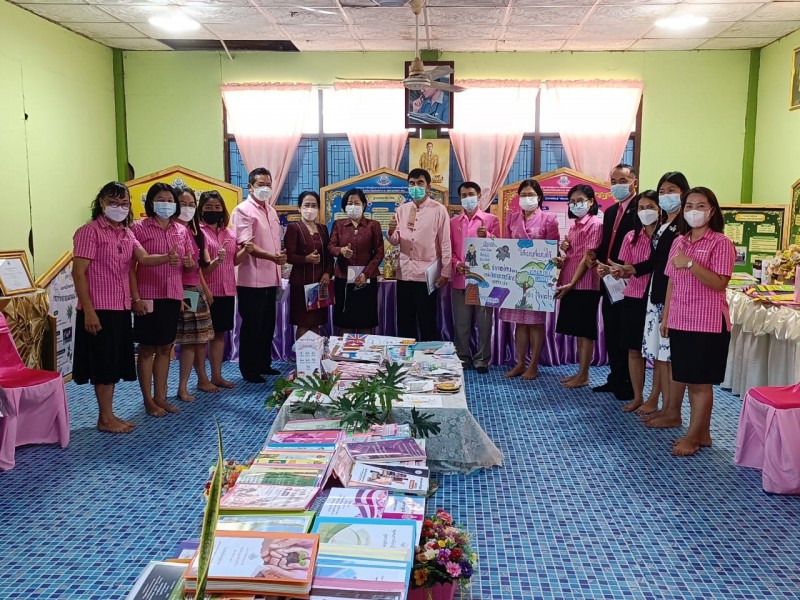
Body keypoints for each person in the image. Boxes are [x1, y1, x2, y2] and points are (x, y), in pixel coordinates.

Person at [72, 182, 177, 433]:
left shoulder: (126, 233)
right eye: (113, 202)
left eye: (124, 203)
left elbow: (143, 258)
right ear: (101, 203)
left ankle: (108, 414)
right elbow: (78, 273)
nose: (119, 207)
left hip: (120, 308)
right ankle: (105, 418)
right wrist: (88, 311)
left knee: (113, 364)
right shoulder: (89, 232)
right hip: (98, 308)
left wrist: (167, 257)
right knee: (102, 365)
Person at [658, 187, 735, 456]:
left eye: (701, 206)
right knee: (689, 379)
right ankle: (702, 433)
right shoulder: (679, 241)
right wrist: (666, 316)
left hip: (708, 323)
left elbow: (719, 283)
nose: (694, 211)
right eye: (689, 206)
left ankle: (693, 436)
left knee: (701, 384)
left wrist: (691, 264)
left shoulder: (721, 243)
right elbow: (671, 281)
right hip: (681, 319)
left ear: (712, 211)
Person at [130, 182, 194, 417]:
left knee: (166, 348)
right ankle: (147, 399)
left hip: (172, 295)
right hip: (148, 295)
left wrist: (188, 263)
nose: (166, 204)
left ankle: (160, 397)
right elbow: (131, 267)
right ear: (150, 202)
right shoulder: (138, 228)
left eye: (170, 200)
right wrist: (135, 297)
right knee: (147, 348)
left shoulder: (181, 230)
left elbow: (189, 264)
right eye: (161, 200)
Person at [630, 172, 690, 417]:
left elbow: (676, 266)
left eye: (671, 190)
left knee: (669, 355)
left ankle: (671, 410)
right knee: (659, 354)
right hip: (656, 291)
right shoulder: (664, 222)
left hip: (671, 294)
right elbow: (656, 261)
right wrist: (631, 269)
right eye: (662, 191)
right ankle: (659, 402)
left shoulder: (684, 225)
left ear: (683, 192)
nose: (666, 196)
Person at [588, 163, 639, 400]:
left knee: (626, 335)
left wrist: (623, 268)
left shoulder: (642, 209)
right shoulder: (610, 212)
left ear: (634, 182)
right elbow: (607, 243)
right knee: (611, 330)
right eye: (614, 181)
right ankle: (615, 377)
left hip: (629, 279)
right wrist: (595, 256)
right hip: (608, 280)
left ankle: (628, 384)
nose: (617, 186)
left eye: (622, 181)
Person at [231, 167, 287, 384]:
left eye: (268, 184)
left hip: (271, 276)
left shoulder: (271, 211)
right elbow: (247, 245)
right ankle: (249, 369)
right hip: (251, 278)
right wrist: (272, 257)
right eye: (261, 184)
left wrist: (278, 258)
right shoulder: (243, 210)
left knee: (267, 324)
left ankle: (264, 363)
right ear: (250, 187)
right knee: (252, 325)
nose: (265, 188)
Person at [605, 191, 659, 413]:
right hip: (633, 297)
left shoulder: (666, 236)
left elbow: (658, 265)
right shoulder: (631, 236)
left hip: (657, 298)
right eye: (641, 208)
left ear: (660, 209)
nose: (645, 211)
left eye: (650, 207)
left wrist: (631, 269)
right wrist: (616, 271)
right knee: (634, 350)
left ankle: (655, 399)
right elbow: (626, 268)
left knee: (658, 354)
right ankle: (638, 396)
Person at [501, 179, 559, 380]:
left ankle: (533, 365)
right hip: (517, 276)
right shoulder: (512, 218)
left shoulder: (549, 219)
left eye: (531, 195)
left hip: (539, 278)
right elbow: (506, 245)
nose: (527, 198)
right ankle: (520, 363)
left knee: (535, 323)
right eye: (523, 195)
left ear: (539, 197)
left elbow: (553, 248)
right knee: (519, 323)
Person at [387, 168, 452, 341]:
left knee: (427, 321)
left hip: (426, 275)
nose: (415, 187)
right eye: (412, 183)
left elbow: (445, 243)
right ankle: (406, 354)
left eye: (420, 183)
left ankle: (427, 356)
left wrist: (445, 272)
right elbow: (396, 241)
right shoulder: (402, 209)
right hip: (404, 273)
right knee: (404, 321)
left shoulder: (439, 210)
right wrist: (391, 231)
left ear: (428, 187)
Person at [553, 184, 604, 389]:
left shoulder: (595, 224)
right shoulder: (574, 226)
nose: (576, 204)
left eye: (580, 200)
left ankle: (584, 375)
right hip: (571, 283)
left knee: (585, 332)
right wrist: (563, 251)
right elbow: (573, 255)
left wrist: (573, 283)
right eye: (572, 201)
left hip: (585, 285)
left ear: (591, 202)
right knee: (577, 331)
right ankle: (580, 372)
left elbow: (587, 257)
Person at [449, 181, 500, 374]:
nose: (467, 198)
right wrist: (456, 264)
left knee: (484, 322)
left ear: (479, 196)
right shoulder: (453, 222)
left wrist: (488, 235)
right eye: (463, 195)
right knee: (462, 322)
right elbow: (449, 250)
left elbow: (501, 249)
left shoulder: (491, 220)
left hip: (484, 280)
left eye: (471, 194)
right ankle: (462, 357)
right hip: (461, 279)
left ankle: (482, 360)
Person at [174, 187, 215, 402]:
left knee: (201, 339)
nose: (187, 208)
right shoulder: (172, 231)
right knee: (188, 341)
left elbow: (198, 266)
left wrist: (205, 288)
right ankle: (182, 387)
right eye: (183, 204)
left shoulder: (194, 232)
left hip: (195, 289)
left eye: (191, 204)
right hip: (181, 291)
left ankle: (202, 378)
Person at [328, 188, 384, 334]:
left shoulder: (373, 225)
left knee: (365, 322)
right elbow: (331, 246)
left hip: (366, 279)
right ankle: (344, 349)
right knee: (345, 321)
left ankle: (366, 349)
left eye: (356, 203)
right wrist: (341, 251)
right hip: (343, 279)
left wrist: (366, 274)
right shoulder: (338, 224)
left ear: (364, 205)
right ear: (344, 206)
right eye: (349, 203)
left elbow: (379, 253)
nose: (353, 206)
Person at [199, 190, 237, 390]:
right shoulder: (198, 232)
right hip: (206, 291)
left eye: (217, 207)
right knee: (200, 338)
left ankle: (216, 376)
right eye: (208, 207)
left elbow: (234, 260)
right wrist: (216, 261)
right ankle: (202, 378)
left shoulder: (229, 233)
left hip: (227, 290)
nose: (213, 210)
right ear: (201, 209)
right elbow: (202, 268)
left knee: (219, 334)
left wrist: (248, 250)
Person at [285, 191, 333, 339]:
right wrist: (306, 259)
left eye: (314, 205)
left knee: (316, 323)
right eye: (306, 205)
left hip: (320, 283)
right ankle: (302, 353)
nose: (310, 209)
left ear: (318, 208)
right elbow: (289, 256)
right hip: (301, 283)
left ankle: (314, 353)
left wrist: (327, 273)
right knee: (303, 323)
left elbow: (329, 255)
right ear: (299, 208)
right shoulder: (293, 228)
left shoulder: (323, 229)